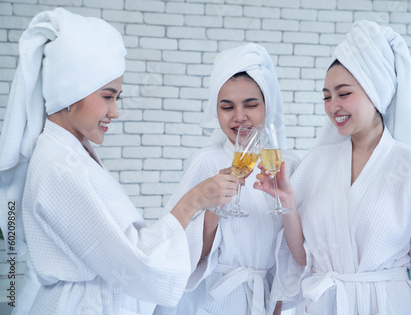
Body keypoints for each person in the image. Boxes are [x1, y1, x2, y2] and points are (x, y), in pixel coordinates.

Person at [0, 8, 241, 314]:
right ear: (72, 91)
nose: (115, 112)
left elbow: (125, 252)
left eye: (118, 98)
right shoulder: (60, 167)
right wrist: (195, 200)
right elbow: (135, 263)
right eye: (108, 96)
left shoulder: (71, 151)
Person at [254, 20, 411, 314]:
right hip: (325, 304)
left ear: (376, 93)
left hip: (386, 305)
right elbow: (301, 259)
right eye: (326, 96)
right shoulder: (315, 163)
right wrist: (287, 201)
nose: (332, 105)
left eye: (344, 93)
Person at [153, 43, 301, 315]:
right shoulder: (206, 162)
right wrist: (213, 209)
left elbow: (292, 257)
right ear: (216, 111)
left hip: (262, 301)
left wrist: (276, 305)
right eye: (227, 106)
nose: (239, 116)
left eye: (251, 104)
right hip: (208, 300)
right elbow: (176, 251)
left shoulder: (288, 166)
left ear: (268, 105)